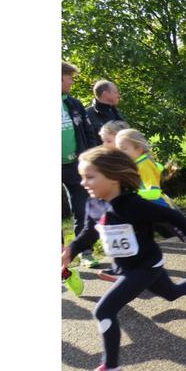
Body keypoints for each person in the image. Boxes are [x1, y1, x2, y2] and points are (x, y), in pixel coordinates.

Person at [62, 146, 186, 371]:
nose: (83, 183)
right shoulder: (95, 204)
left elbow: (174, 218)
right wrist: (71, 249)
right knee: (171, 293)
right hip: (128, 268)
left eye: (90, 177)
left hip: (146, 265)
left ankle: (109, 369)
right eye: (82, 177)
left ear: (113, 176)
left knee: (103, 311)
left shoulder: (133, 205)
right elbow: (89, 232)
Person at [114, 128, 186, 260]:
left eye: (124, 149)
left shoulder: (143, 165)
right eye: (118, 149)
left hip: (160, 207)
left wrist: (133, 193)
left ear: (139, 149)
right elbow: (157, 167)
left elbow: (154, 192)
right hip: (148, 209)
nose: (120, 153)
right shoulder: (137, 163)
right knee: (166, 233)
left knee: (184, 236)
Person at [62, 61, 101, 268]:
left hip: (75, 165)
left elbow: (88, 133)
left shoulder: (74, 104)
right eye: (69, 77)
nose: (71, 82)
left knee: (82, 208)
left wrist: (90, 158)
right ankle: (62, 260)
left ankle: (85, 251)